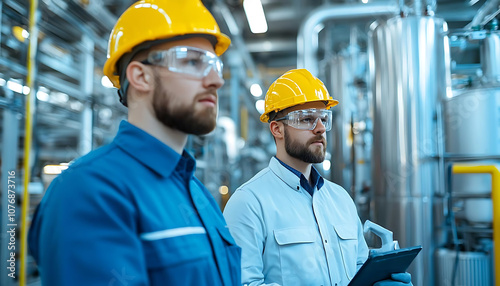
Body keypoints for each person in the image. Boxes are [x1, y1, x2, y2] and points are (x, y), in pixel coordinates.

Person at [28, 1, 241, 285]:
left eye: (215, 65)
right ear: (141, 76)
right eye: (192, 61)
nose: (216, 80)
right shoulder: (89, 192)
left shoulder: (197, 193)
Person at [223, 69, 412, 286]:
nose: (320, 128)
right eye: (306, 119)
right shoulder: (248, 203)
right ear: (277, 129)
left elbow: (358, 272)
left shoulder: (341, 199)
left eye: (324, 118)